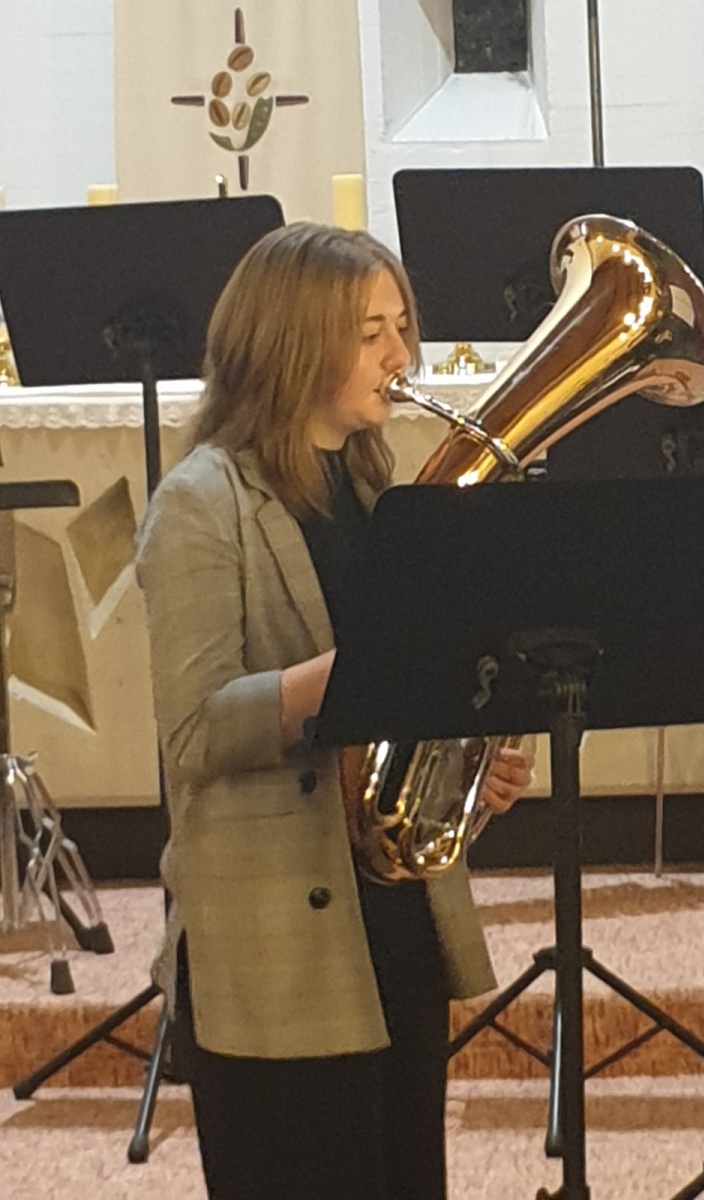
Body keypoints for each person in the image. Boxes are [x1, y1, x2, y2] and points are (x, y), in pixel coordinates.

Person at [135, 221, 534, 1200]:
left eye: (403, 326)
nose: (403, 356)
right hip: (276, 946)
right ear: (292, 343)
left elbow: (408, 704)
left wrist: (471, 771)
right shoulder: (200, 502)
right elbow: (194, 732)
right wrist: (352, 672)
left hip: (394, 915)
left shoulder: (376, 487)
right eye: (371, 333)